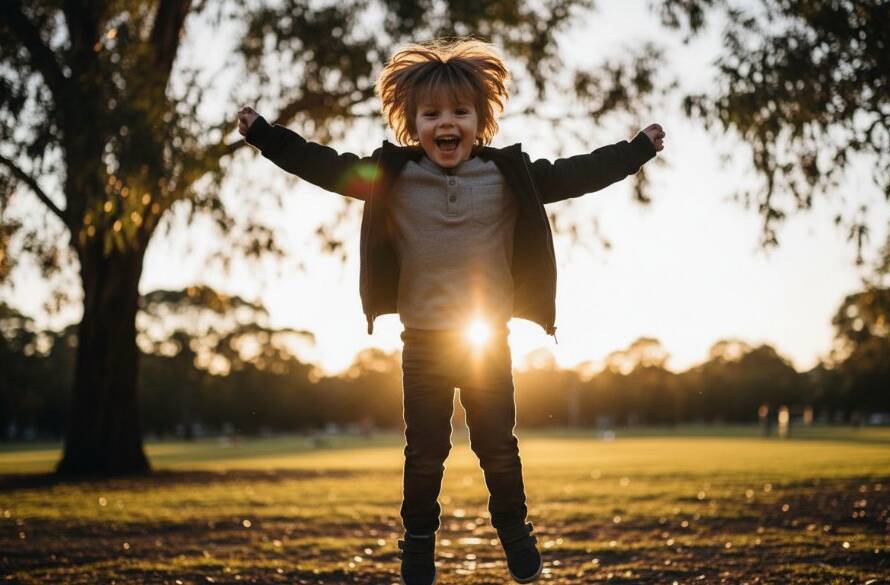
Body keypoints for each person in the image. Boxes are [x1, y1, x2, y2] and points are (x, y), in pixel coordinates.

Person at [237, 37, 665, 585]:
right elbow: (323, 165)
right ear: (411, 122)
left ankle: (513, 528)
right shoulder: (392, 176)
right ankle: (417, 544)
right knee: (425, 453)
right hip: (424, 345)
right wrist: (266, 137)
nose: (447, 122)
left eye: (460, 112)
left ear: (481, 120)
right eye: (432, 113)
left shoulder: (510, 175)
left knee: (497, 447)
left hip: (488, 340)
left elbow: (577, 173)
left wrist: (635, 151)